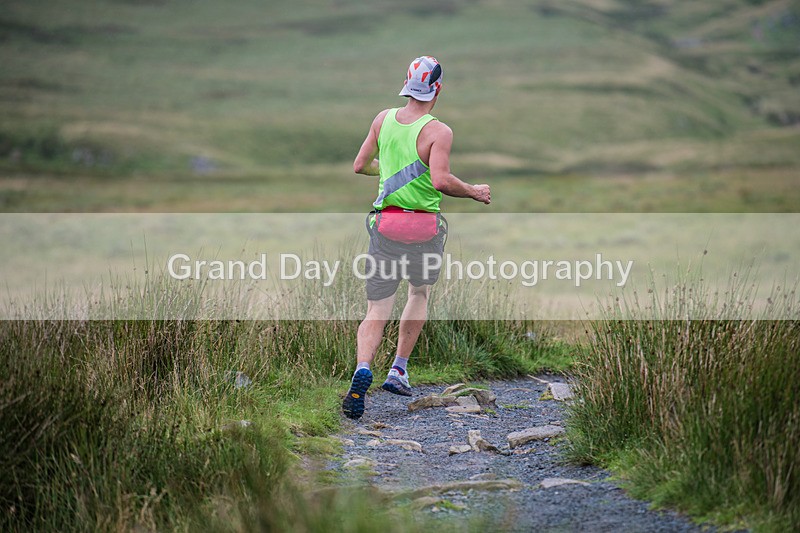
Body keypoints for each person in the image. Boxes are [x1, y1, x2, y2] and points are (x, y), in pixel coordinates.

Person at [342, 55, 491, 420]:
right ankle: (399, 369)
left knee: (377, 308)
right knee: (418, 293)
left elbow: (360, 165)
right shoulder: (439, 131)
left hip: (386, 228)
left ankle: (363, 368)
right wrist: (473, 190)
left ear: (407, 84)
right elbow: (440, 180)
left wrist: (388, 172)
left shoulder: (383, 119)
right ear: (436, 88)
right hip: (423, 231)